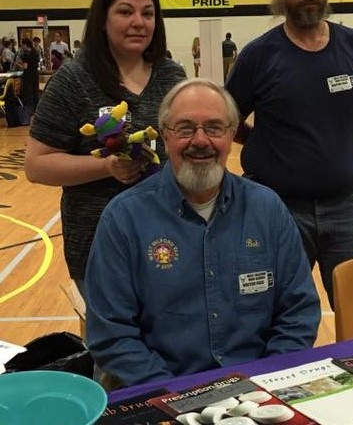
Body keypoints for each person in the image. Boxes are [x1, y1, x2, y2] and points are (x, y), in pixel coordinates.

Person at [85, 79, 321, 387]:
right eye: (184, 128)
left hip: (260, 393)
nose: (200, 140)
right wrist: (176, 397)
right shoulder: (123, 218)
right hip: (164, 395)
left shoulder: (267, 208)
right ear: (165, 137)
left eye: (213, 127)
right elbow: (111, 333)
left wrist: (265, 386)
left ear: (231, 135)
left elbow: (298, 311)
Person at [225, 0, 353, 309]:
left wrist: (337, 141)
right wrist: (263, 142)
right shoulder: (258, 56)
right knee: (279, 312)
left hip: (348, 206)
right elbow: (227, 120)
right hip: (278, 208)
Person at [24, 0, 186, 298]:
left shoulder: (173, 76)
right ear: (103, 19)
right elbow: (36, 165)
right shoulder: (73, 79)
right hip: (97, 245)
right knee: (111, 347)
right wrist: (106, 167)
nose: (139, 22)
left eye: (148, 13)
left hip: (167, 240)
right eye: (125, 12)